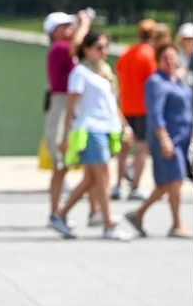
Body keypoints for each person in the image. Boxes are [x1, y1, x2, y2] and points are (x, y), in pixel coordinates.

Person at [49, 31, 132, 240]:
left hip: (107, 129)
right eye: (99, 47)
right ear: (86, 49)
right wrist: (66, 136)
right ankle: (109, 223)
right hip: (90, 129)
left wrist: (125, 126)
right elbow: (71, 107)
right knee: (101, 177)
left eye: (106, 47)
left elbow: (112, 104)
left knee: (91, 180)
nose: (104, 51)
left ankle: (60, 215)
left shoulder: (103, 71)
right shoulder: (80, 72)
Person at [124, 45, 193, 238]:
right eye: (166, 57)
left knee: (168, 182)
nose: (170, 61)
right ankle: (177, 224)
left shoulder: (178, 80)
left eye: (173, 57)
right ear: (158, 60)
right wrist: (164, 138)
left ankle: (138, 214)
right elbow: (155, 113)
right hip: (167, 138)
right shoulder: (155, 82)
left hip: (183, 138)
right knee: (175, 179)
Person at [42, 10, 94, 222]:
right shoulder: (59, 48)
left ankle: (96, 210)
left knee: (93, 164)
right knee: (61, 164)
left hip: (75, 105)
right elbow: (77, 44)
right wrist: (85, 24)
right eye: (66, 26)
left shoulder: (68, 50)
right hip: (62, 105)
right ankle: (55, 212)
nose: (71, 28)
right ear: (54, 31)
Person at [113, 19, 158, 200]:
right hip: (143, 107)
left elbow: (118, 76)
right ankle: (135, 186)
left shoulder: (127, 53)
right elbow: (154, 83)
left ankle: (117, 186)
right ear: (153, 35)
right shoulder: (150, 54)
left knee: (124, 147)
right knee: (142, 148)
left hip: (126, 106)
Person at [177, 22, 193, 89]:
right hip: (180, 88)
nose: (188, 41)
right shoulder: (175, 53)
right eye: (186, 38)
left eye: (191, 38)